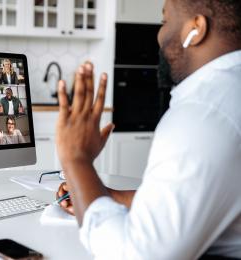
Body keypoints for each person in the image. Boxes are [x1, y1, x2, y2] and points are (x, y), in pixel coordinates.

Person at [55, 0, 241, 259]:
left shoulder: (202, 114)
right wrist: (107, 196)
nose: (159, 35)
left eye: (165, 21)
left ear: (196, 28)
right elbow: (191, 197)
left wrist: (76, 159)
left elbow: (135, 254)